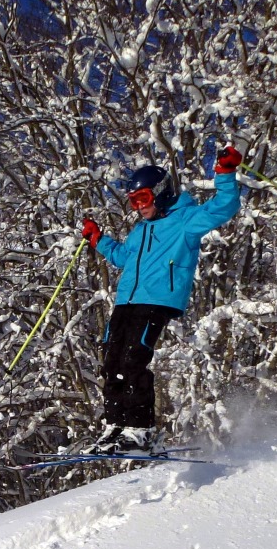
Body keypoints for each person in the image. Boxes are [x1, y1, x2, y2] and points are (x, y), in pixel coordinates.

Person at [80, 145, 243, 454]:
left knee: (133, 358)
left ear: (160, 192)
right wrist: (97, 239)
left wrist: (225, 172)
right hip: (126, 301)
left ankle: (140, 430)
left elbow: (224, 206)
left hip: (157, 300)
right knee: (111, 360)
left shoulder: (186, 220)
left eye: (142, 199)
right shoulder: (140, 231)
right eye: (133, 202)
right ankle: (115, 425)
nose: (138, 208)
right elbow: (121, 256)